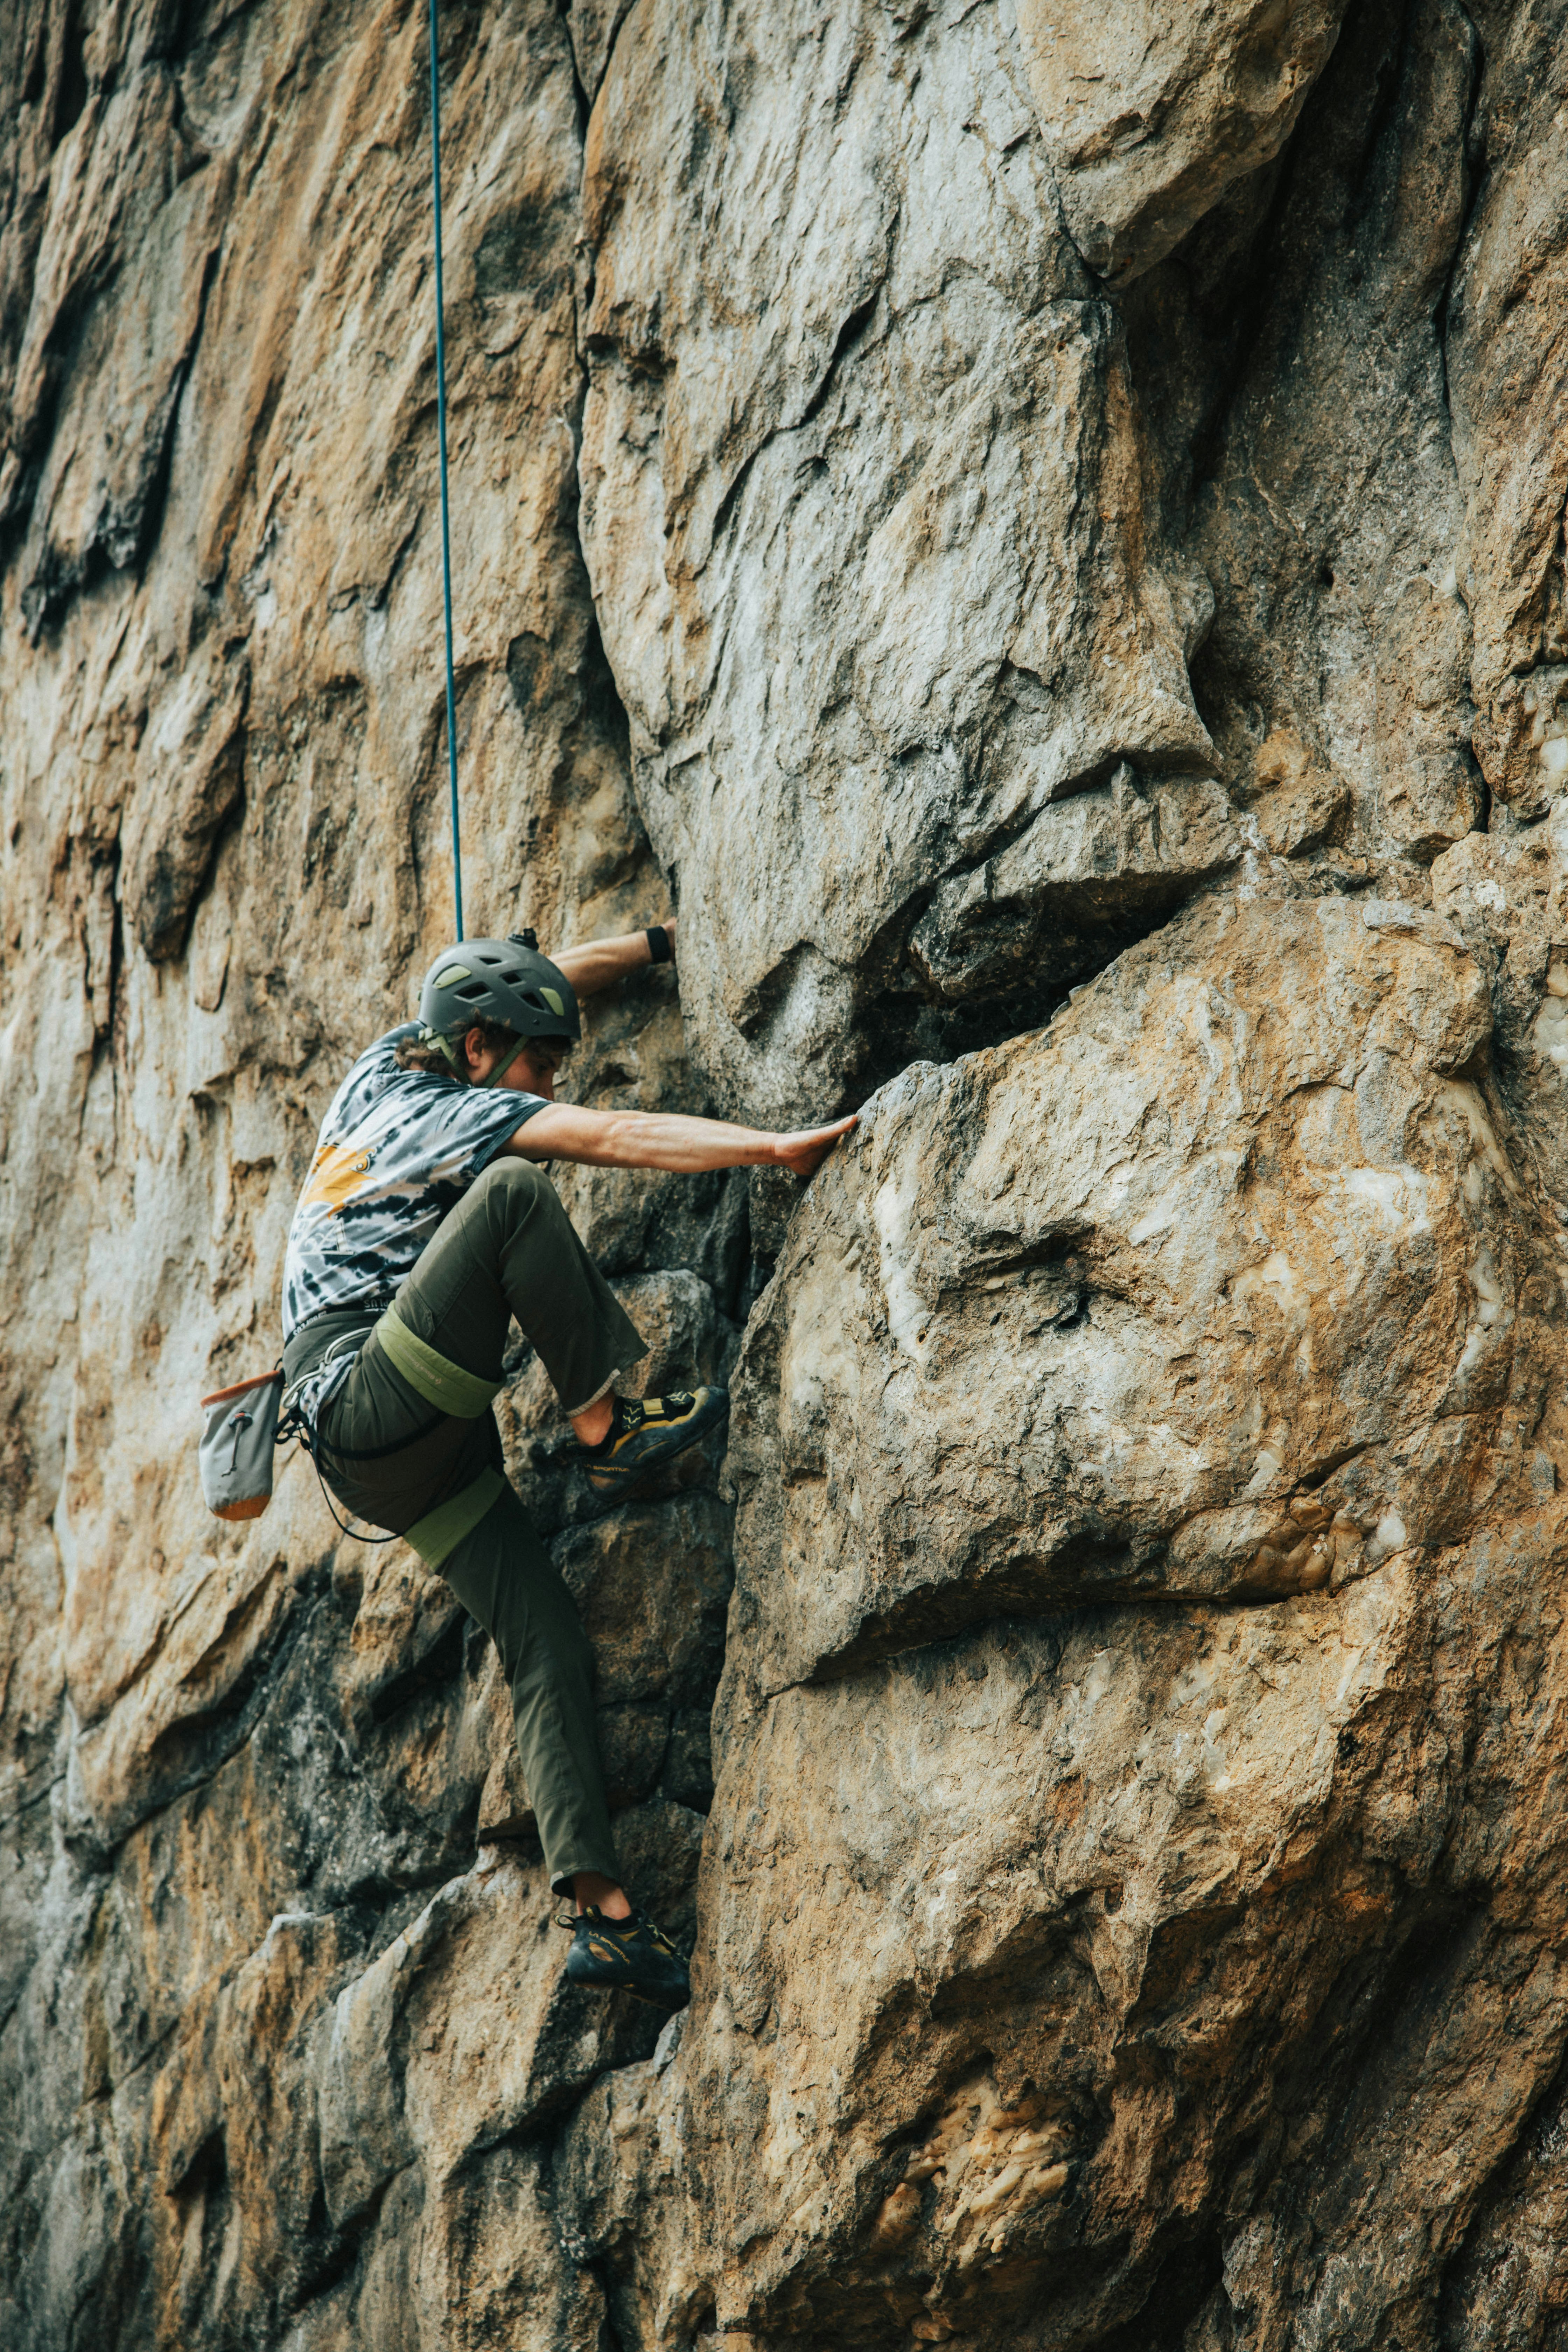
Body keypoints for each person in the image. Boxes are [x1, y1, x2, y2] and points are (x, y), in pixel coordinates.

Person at [279, 920, 853, 2009]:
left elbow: (545, 987)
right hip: (372, 1392)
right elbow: (618, 1135)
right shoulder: (456, 1112)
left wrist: (649, 945)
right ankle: (609, 1434)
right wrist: (771, 1148)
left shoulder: (390, 1063)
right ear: (486, 1046)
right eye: (541, 1064)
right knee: (514, 1194)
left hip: (381, 1460)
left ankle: (605, 1918)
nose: (552, 1083)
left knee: (545, 1636)